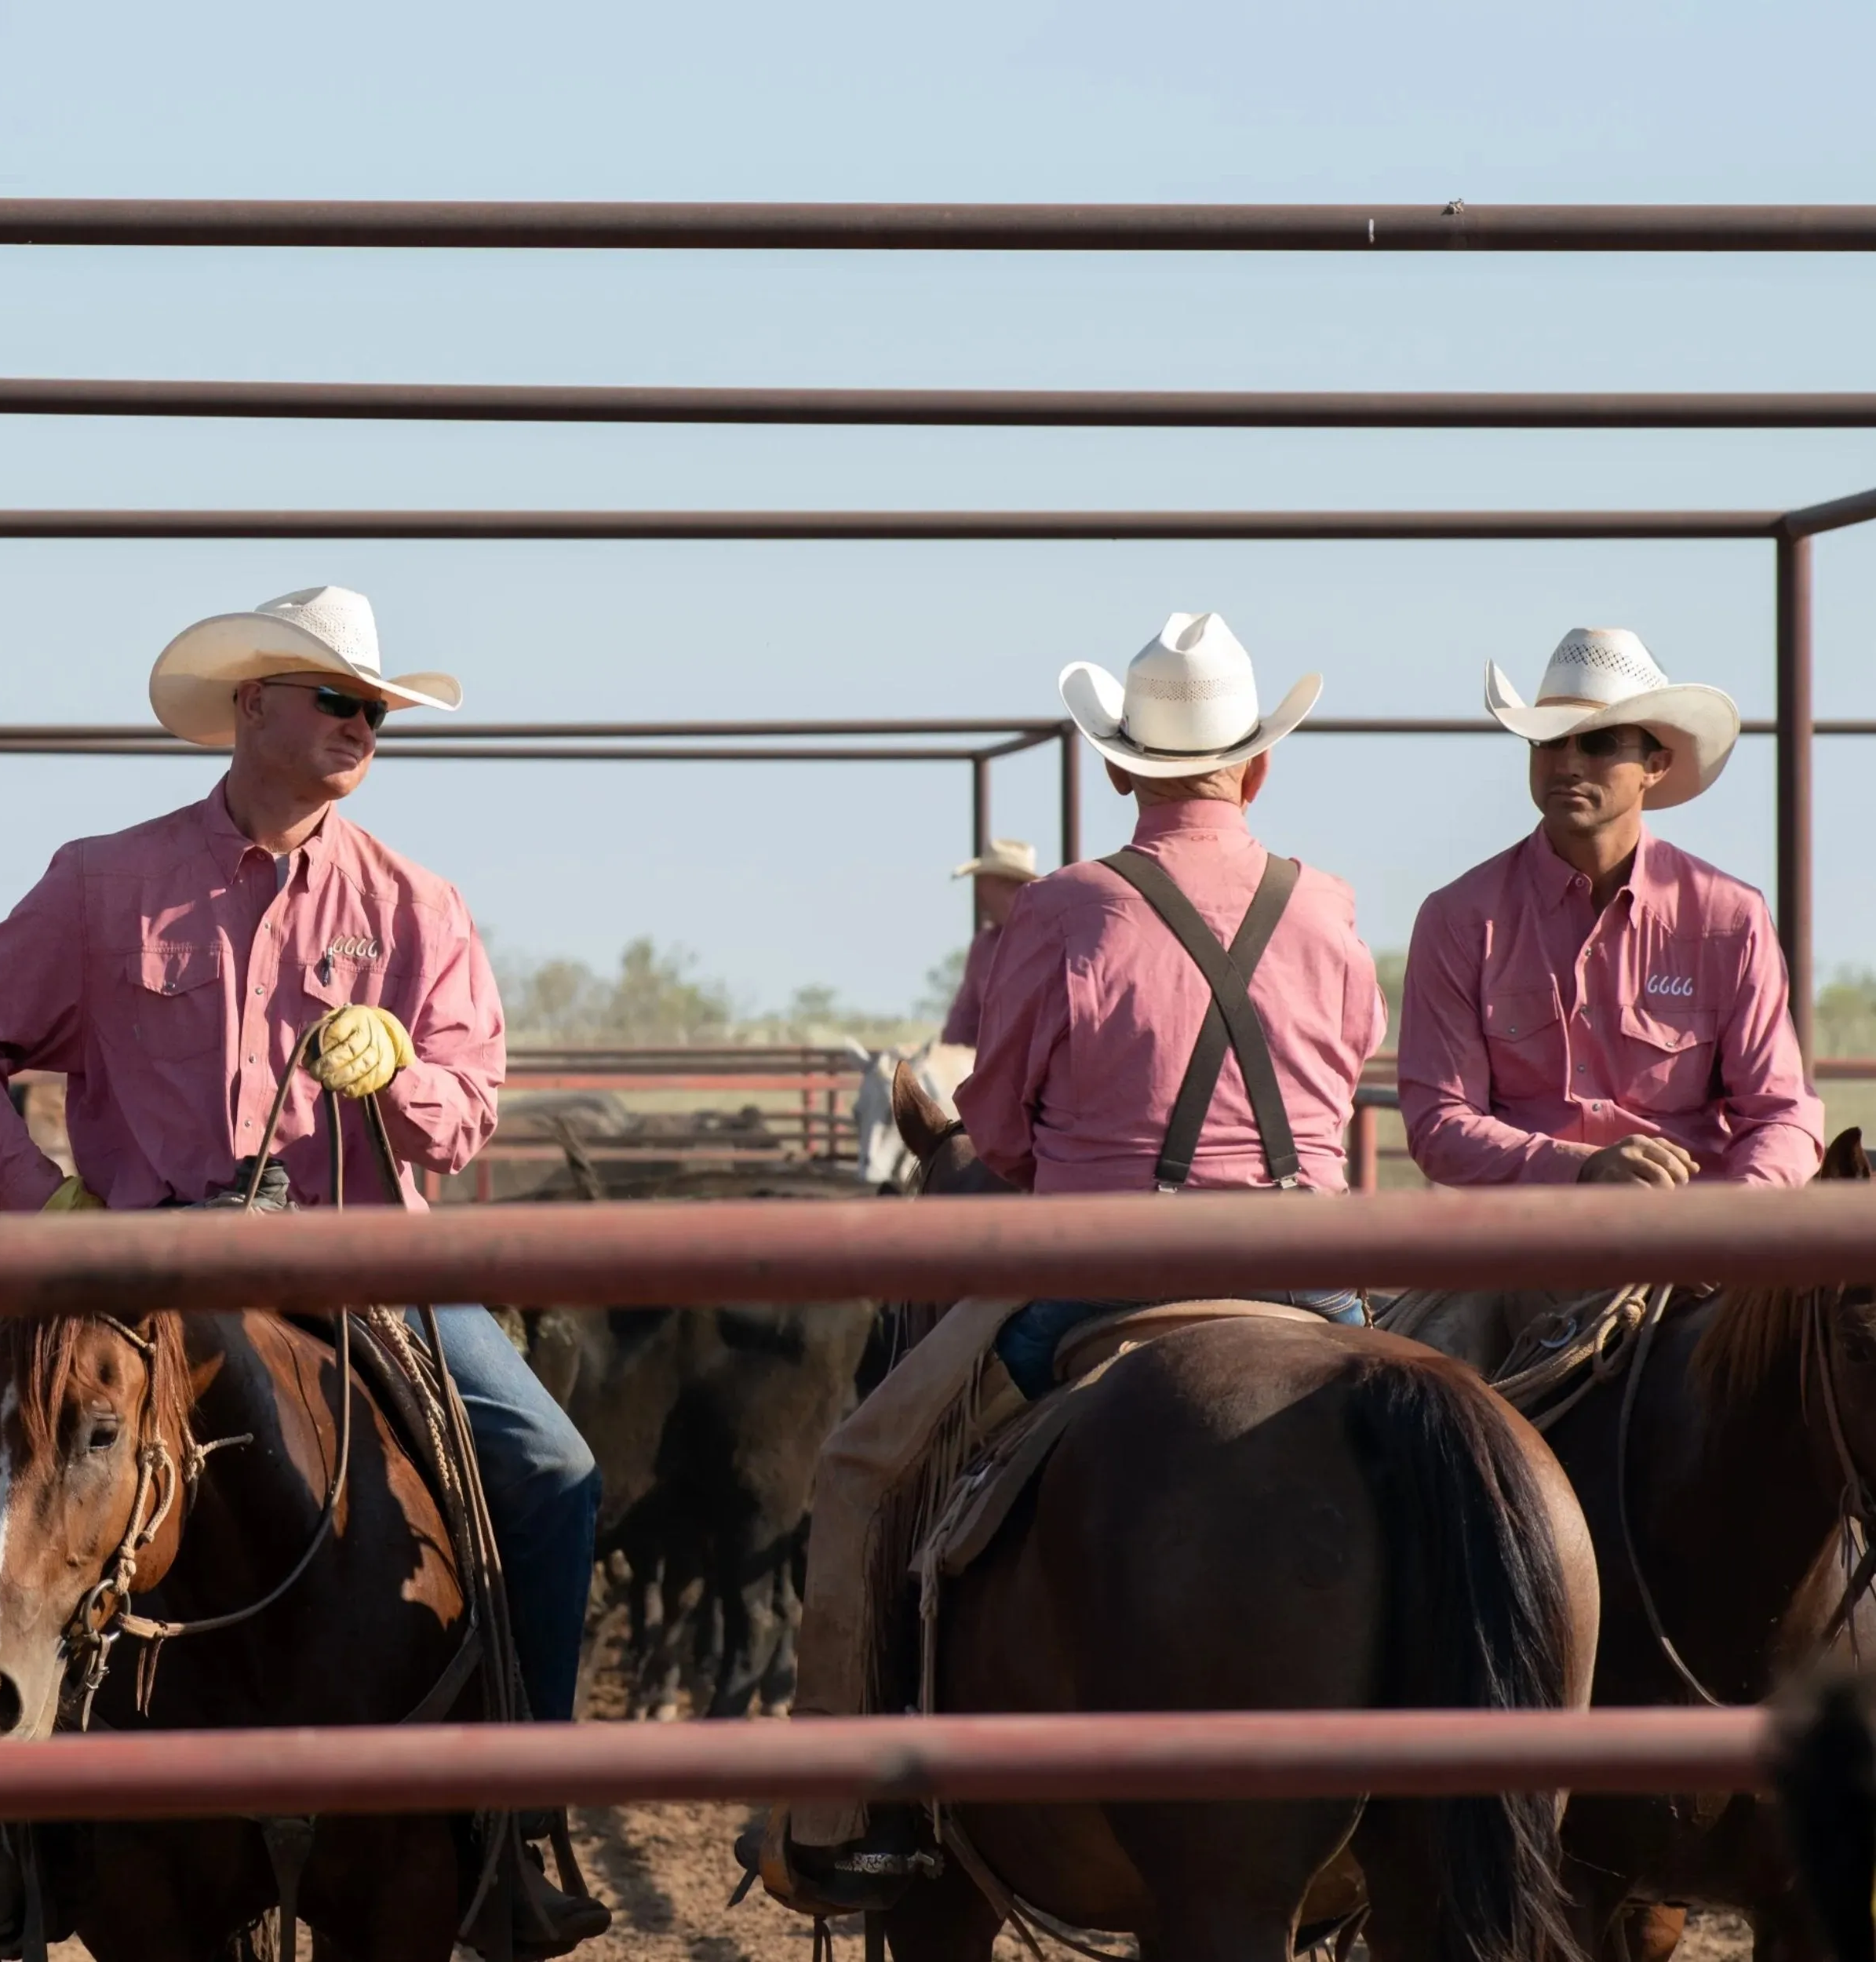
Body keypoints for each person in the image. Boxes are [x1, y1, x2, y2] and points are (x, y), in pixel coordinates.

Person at [0, 586, 605, 1958]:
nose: (365, 727)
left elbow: (467, 1108)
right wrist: (45, 1203)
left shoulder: (414, 903)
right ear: (254, 711)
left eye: (377, 710)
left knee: (547, 1467)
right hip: (143, 1266)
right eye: (340, 701)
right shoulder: (103, 883)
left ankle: (520, 1807)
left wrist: (405, 1078)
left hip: (365, 1267)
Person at [776, 613, 1386, 1906]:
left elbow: (995, 1133)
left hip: (1106, 1275)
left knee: (867, 1472)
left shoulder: (1061, 910)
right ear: (1257, 769)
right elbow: (1343, 1086)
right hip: (1313, 1278)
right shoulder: (1328, 906)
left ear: (1121, 770)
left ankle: (855, 1808)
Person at [1398, 626, 1821, 1191]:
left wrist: (1734, 1228)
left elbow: (1780, 1112)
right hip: (1524, 1247)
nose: (1567, 763)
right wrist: (1580, 1167)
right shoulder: (1459, 920)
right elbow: (1440, 1124)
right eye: (1547, 741)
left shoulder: (1730, 919)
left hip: (1688, 1253)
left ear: (1657, 766)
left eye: (1598, 744)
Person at [940, 838, 1037, 1045]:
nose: (979, 895)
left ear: (1010, 887)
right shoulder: (984, 946)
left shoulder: (1048, 942)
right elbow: (962, 1022)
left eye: (984, 884)